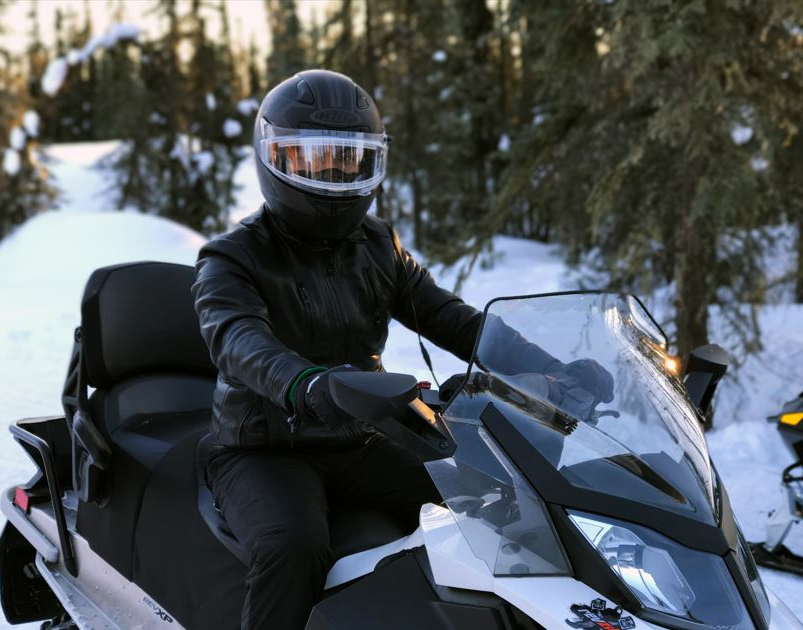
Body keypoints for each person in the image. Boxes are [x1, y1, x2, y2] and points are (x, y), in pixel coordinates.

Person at [191, 69, 613, 630]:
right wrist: (305, 383)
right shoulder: (232, 256)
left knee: (496, 497)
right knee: (291, 548)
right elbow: (238, 339)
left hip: (359, 434)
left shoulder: (377, 244)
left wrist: (557, 370)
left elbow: (455, 320)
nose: (334, 174)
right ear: (275, 159)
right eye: (314, 159)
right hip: (264, 446)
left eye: (350, 159)